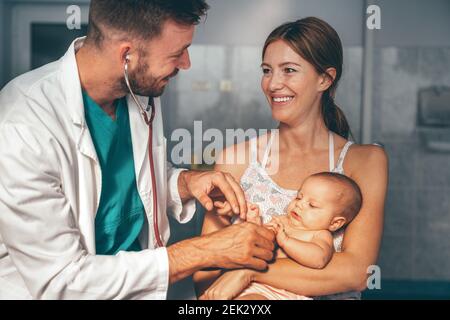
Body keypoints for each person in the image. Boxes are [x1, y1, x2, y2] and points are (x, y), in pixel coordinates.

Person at [0, 0, 276, 300]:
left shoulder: (137, 88)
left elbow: (131, 181)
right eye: (176, 53)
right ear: (126, 54)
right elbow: (63, 281)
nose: (186, 64)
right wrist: (206, 251)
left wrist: (184, 183)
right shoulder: (21, 127)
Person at [195, 17, 388, 300]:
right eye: (267, 70)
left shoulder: (365, 161)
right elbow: (206, 278)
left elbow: (358, 272)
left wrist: (250, 270)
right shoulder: (235, 159)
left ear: (325, 78)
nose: (273, 84)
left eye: (289, 70)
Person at [233, 172, 363, 300]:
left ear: (335, 223)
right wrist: (254, 223)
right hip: (259, 285)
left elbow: (319, 259)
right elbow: (259, 245)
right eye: (299, 197)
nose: (299, 204)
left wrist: (286, 241)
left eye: (312, 205)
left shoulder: (320, 235)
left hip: (293, 292)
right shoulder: (282, 221)